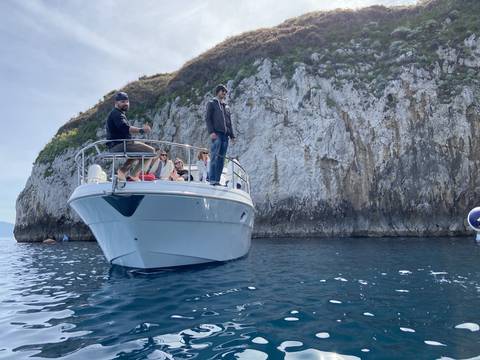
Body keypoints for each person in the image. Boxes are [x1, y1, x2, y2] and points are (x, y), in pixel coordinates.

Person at [106, 92, 155, 181]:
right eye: (123, 101)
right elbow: (125, 128)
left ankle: (122, 171)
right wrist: (142, 130)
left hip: (118, 145)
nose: (126, 104)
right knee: (151, 151)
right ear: (116, 103)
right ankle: (134, 175)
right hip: (120, 145)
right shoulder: (117, 114)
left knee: (137, 151)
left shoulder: (117, 113)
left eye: (127, 101)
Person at [205, 84, 235, 185]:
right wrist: (211, 132)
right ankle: (212, 179)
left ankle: (217, 180)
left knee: (221, 159)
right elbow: (208, 119)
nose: (225, 93)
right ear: (218, 91)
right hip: (216, 134)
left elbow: (229, 122)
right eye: (223, 91)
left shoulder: (226, 107)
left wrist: (232, 136)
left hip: (225, 136)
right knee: (214, 157)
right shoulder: (211, 103)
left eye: (226, 92)